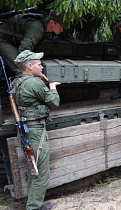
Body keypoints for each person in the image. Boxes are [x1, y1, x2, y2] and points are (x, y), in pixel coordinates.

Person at [13, 50, 60, 209]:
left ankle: (33, 204)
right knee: (41, 173)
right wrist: (52, 87)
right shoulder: (35, 83)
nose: (41, 67)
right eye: (39, 64)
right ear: (29, 65)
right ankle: (33, 207)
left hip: (26, 132)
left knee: (34, 170)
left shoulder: (17, 82)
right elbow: (54, 103)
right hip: (36, 132)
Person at [0, 9, 68, 78]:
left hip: (10, 41)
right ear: (52, 22)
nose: (62, 30)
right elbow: (24, 52)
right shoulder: (37, 28)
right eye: (61, 26)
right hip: (3, 40)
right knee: (23, 69)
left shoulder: (42, 28)